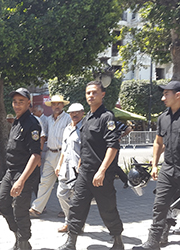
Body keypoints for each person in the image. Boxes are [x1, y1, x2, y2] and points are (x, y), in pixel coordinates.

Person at [133, 81, 180, 250]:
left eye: (166, 94)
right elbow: (158, 143)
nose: (162, 97)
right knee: (160, 205)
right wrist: (156, 165)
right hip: (168, 169)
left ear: (178, 95)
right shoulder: (163, 118)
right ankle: (153, 242)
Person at [58, 81, 124, 250]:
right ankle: (70, 242)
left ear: (102, 94)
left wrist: (102, 171)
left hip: (101, 174)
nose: (91, 95)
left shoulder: (106, 117)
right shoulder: (87, 118)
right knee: (76, 206)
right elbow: (86, 146)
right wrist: (80, 164)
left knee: (107, 208)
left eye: (94, 92)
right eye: (88, 93)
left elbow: (113, 146)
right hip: (85, 172)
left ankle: (117, 241)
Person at [0, 87, 41, 250]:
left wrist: (21, 181)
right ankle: (18, 235)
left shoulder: (32, 124)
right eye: (15, 101)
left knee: (21, 211)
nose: (16, 105)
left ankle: (23, 243)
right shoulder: (17, 120)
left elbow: (36, 155)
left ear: (29, 103)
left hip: (24, 174)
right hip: (11, 172)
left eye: (21, 102)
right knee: (2, 203)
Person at [29, 95, 71, 217]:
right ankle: (37, 208)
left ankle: (67, 209)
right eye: (54, 104)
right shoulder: (48, 120)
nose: (56, 106)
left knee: (65, 183)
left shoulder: (68, 119)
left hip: (63, 154)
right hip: (49, 153)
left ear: (63, 105)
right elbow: (43, 136)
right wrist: (40, 152)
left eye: (59, 104)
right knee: (45, 182)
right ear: (51, 106)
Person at [55, 103, 84, 233]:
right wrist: (58, 165)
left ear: (83, 113)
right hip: (65, 167)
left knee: (75, 198)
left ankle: (76, 224)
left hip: (77, 169)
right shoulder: (67, 128)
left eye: (77, 112)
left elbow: (86, 150)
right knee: (61, 194)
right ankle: (70, 220)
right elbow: (64, 149)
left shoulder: (85, 129)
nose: (74, 115)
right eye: (72, 113)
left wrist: (81, 165)